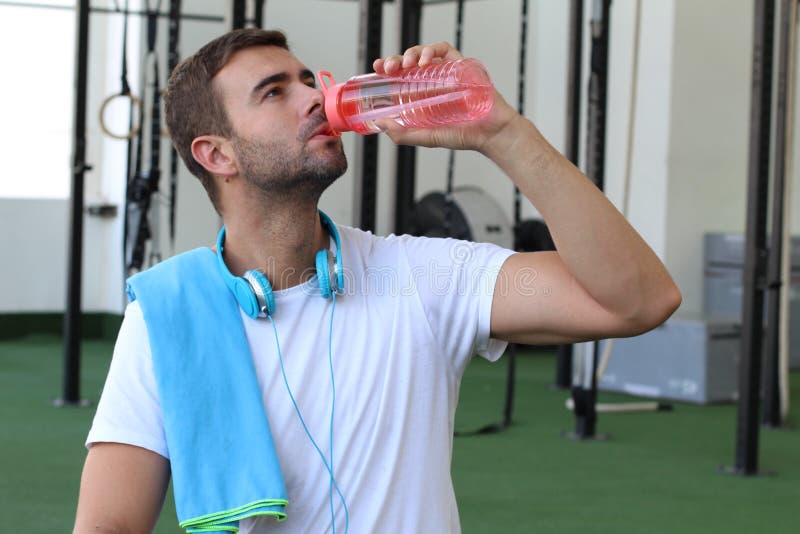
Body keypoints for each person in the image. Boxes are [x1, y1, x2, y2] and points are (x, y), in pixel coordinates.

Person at [73, 28, 681, 534]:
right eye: (274, 92)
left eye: (309, 79)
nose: (315, 97)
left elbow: (639, 301)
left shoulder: (423, 277)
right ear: (217, 155)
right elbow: (109, 526)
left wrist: (503, 134)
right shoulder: (167, 316)